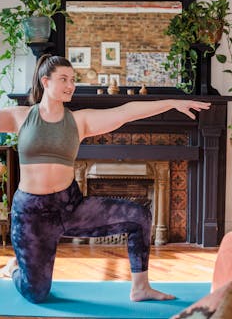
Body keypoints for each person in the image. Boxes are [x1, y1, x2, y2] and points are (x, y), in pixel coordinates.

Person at [0, 54, 211, 304]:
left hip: (70, 206)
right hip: (31, 214)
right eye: (64, 79)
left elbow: (127, 111)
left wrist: (172, 102)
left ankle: (141, 287)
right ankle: (15, 268)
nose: (71, 85)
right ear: (45, 82)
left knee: (138, 216)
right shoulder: (21, 116)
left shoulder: (79, 121)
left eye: (73, 80)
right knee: (36, 294)